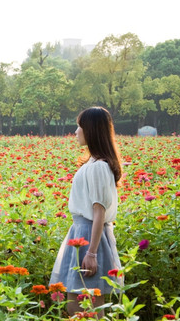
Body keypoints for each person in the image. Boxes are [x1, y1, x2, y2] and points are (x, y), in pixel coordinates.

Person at [49, 106, 123, 318]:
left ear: (91, 130)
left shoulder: (99, 166)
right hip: (81, 233)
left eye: (80, 126)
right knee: (76, 305)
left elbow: (99, 211)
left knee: (88, 305)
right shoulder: (92, 163)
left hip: (90, 236)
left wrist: (91, 252)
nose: (75, 132)